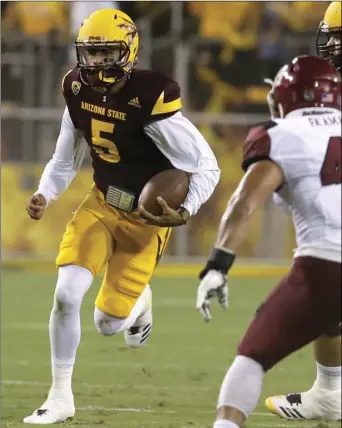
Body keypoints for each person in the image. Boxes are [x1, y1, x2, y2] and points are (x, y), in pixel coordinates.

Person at [24, 9, 220, 424]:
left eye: (105, 54)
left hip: (145, 218)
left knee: (108, 325)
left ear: (128, 51)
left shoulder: (152, 96)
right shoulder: (76, 88)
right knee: (65, 295)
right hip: (100, 204)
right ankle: (60, 397)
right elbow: (65, 157)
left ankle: (137, 301)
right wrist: (45, 192)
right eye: (89, 55)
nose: (94, 64)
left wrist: (186, 208)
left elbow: (206, 166)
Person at [196, 55, 341, 428]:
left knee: (251, 357)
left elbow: (245, 203)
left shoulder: (283, 136)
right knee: (331, 322)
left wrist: (218, 264)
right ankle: (329, 395)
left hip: (326, 265)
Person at [265, 2, 342, 420]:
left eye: (340, 37)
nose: (332, 44)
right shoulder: (327, 85)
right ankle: (328, 391)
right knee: (327, 303)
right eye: (329, 35)